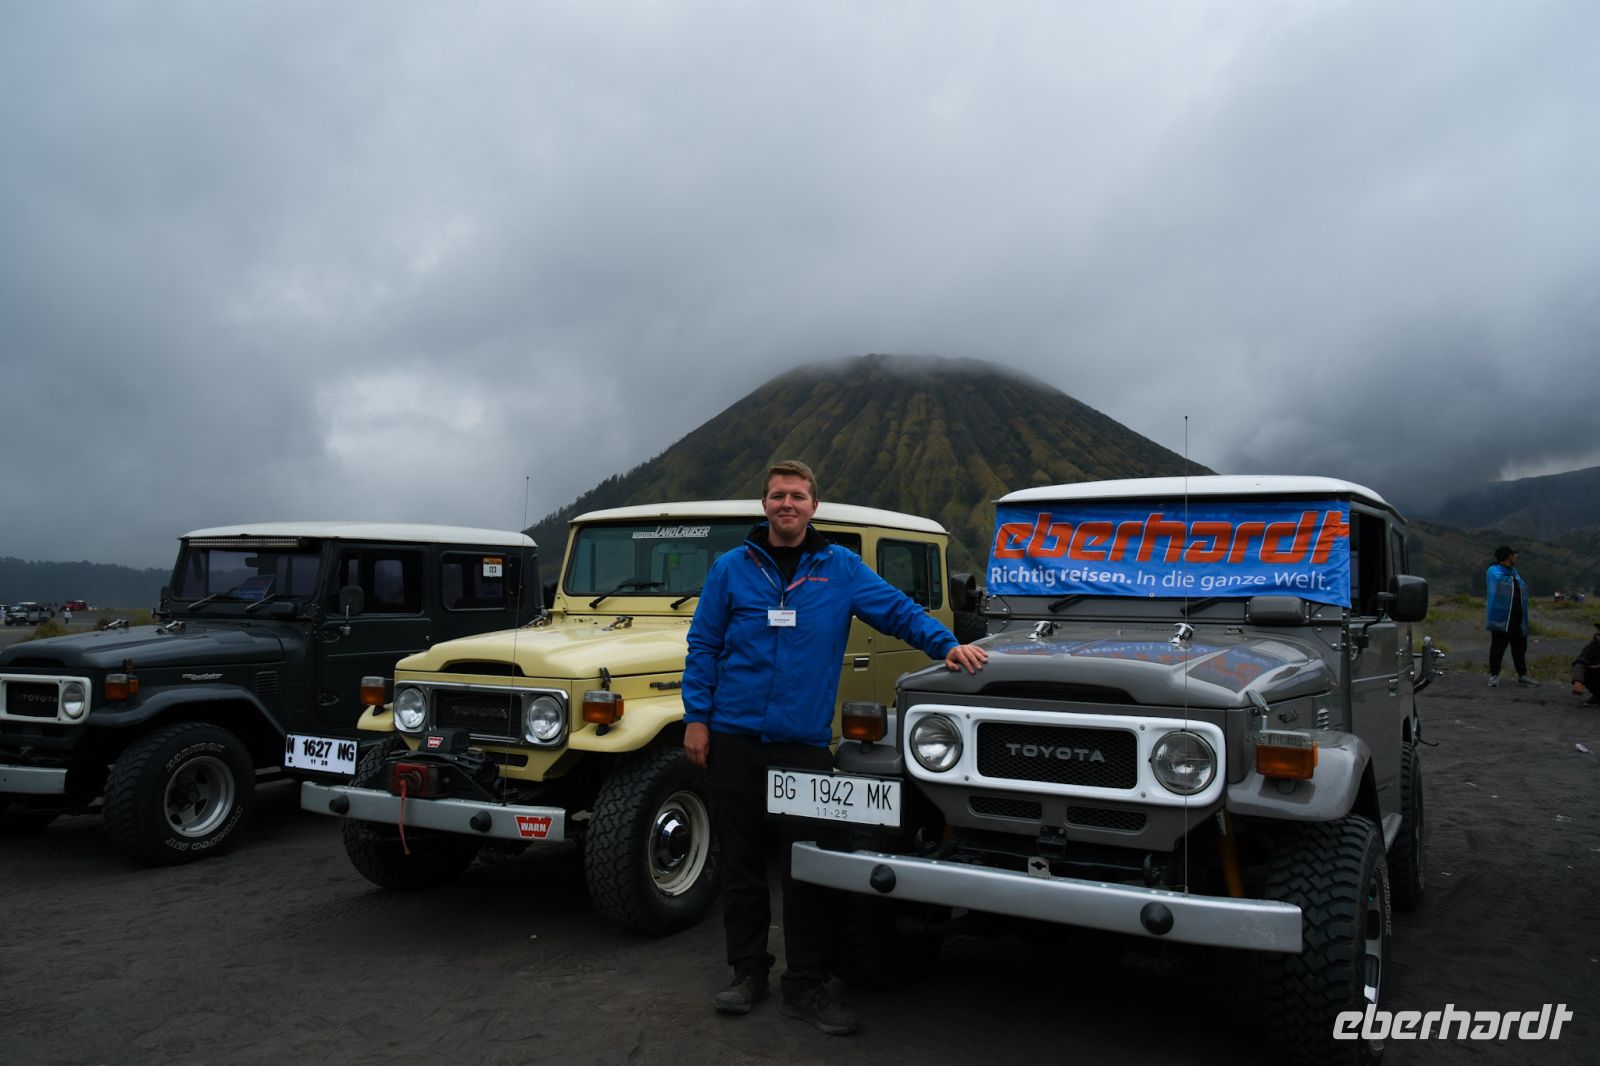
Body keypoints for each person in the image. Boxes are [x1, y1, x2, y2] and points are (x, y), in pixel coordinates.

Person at [682, 459, 988, 1036]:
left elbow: (897, 610)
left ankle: (806, 983)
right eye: (777, 496)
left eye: (797, 496)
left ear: (813, 506)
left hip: (801, 744)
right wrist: (697, 719)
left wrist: (946, 646)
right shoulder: (731, 569)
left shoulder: (840, 567)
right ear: (765, 505)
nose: (787, 504)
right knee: (742, 863)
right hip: (734, 737)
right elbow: (703, 645)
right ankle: (747, 973)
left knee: (807, 867)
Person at [1485, 545, 1537, 687]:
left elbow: (1520, 586)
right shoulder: (1493, 570)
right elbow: (1506, 583)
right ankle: (1494, 676)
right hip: (1501, 617)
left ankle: (1522, 675)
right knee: (1497, 648)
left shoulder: (1513, 571)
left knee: (1519, 648)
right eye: (1513, 555)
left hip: (1517, 617)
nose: (1515, 557)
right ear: (1507, 557)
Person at [1572, 621, 1600, 706]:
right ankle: (1598, 697)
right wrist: (1577, 681)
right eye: (1598, 635)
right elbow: (1581, 660)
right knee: (1584, 668)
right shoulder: (1592, 646)